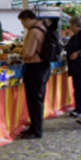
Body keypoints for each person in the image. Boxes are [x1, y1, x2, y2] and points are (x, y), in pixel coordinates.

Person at [18, 9, 51, 139]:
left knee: (34, 100)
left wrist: (21, 54)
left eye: (23, 22)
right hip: (43, 66)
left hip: (35, 67)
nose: (23, 25)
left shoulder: (33, 31)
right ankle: (35, 126)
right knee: (38, 99)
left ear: (28, 19)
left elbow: (28, 52)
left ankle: (36, 130)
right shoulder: (43, 27)